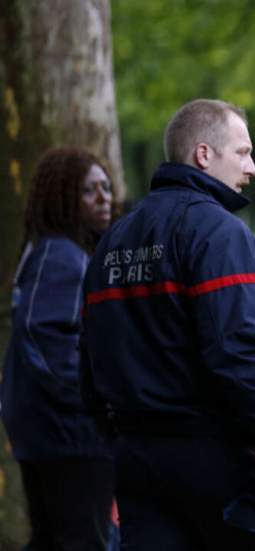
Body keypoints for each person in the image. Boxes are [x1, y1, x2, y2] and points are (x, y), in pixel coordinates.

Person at [81, 99, 255, 549]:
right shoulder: (219, 233)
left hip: (132, 456)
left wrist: (113, 438)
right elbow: (236, 358)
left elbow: (89, 355)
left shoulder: (114, 238)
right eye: (242, 152)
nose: (252, 167)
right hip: (210, 459)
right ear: (203, 154)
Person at [1, 147, 116, 550]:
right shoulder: (62, 256)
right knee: (81, 540)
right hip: (68, 436)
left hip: (50, 432)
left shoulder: (56, 251)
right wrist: (95, 402)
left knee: (52, 540)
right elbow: (43, 336)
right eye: (88, 191)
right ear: (62, 198)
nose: (104, 198)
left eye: (105, 187)